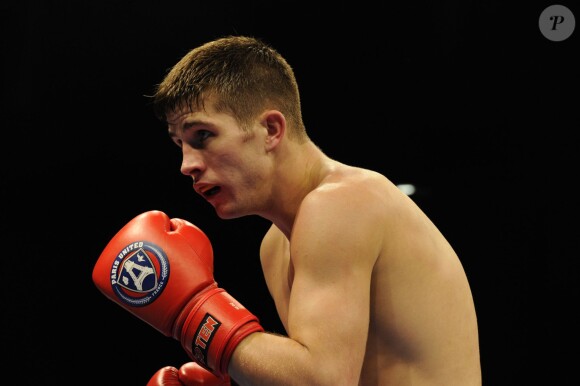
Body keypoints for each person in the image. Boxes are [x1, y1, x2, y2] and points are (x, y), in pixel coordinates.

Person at [94, 35, 481, 385]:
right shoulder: (276, 246)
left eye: (203, 136)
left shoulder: (343, 203)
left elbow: (323, 381)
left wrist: (193, 315)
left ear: (271, 130)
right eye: (180, 144)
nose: (187, 164)